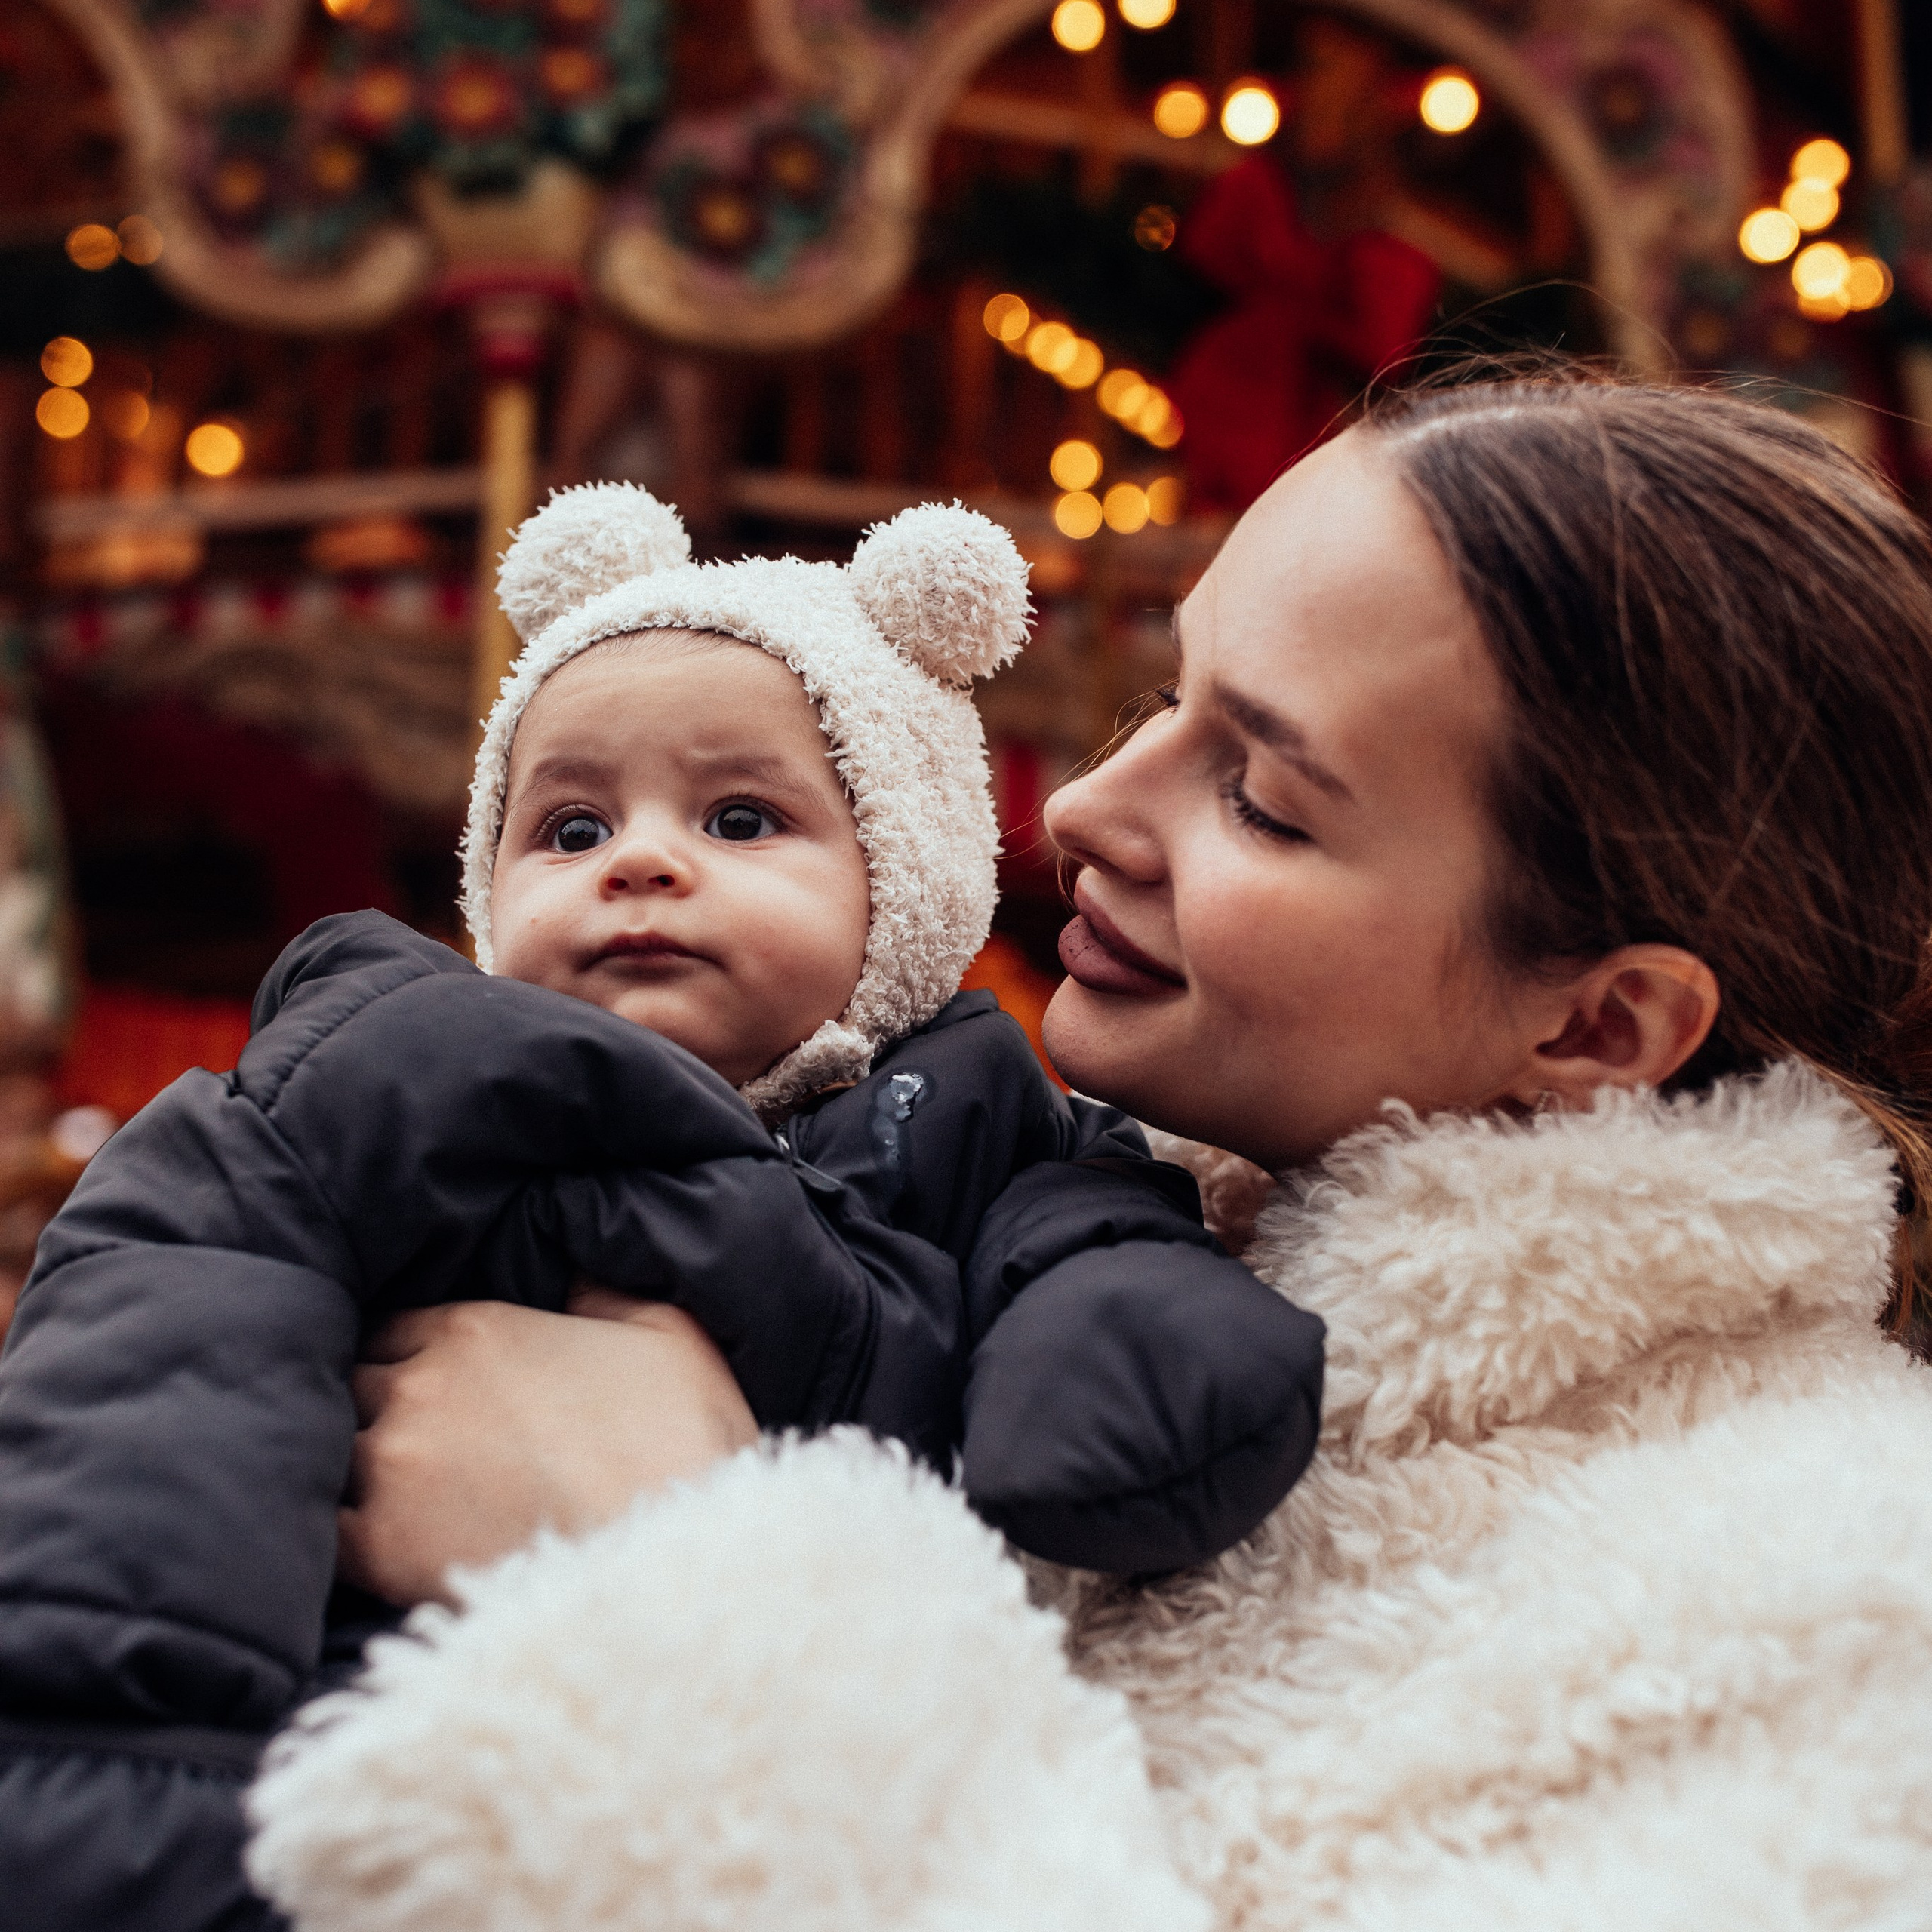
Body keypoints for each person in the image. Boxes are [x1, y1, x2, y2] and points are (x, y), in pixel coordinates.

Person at [245, 371, 1932, 1932]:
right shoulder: (1014, 1226)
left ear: (1595, 1025)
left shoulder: (1832, 1615)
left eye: (1259, 794)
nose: (1084, 807)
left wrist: (676, 1559)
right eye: (1164, 694)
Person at [0, 491, 1323, 1932]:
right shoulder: (387, 1079)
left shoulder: (990, 1128)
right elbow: (169, 1351)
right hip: (365, 1728)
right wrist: (127, 1787)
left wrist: (1158, 1364)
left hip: (770, 1785)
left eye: (739, 818)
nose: (637, 859)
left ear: (907, 876)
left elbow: (1096, 1259)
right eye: (568, 826)